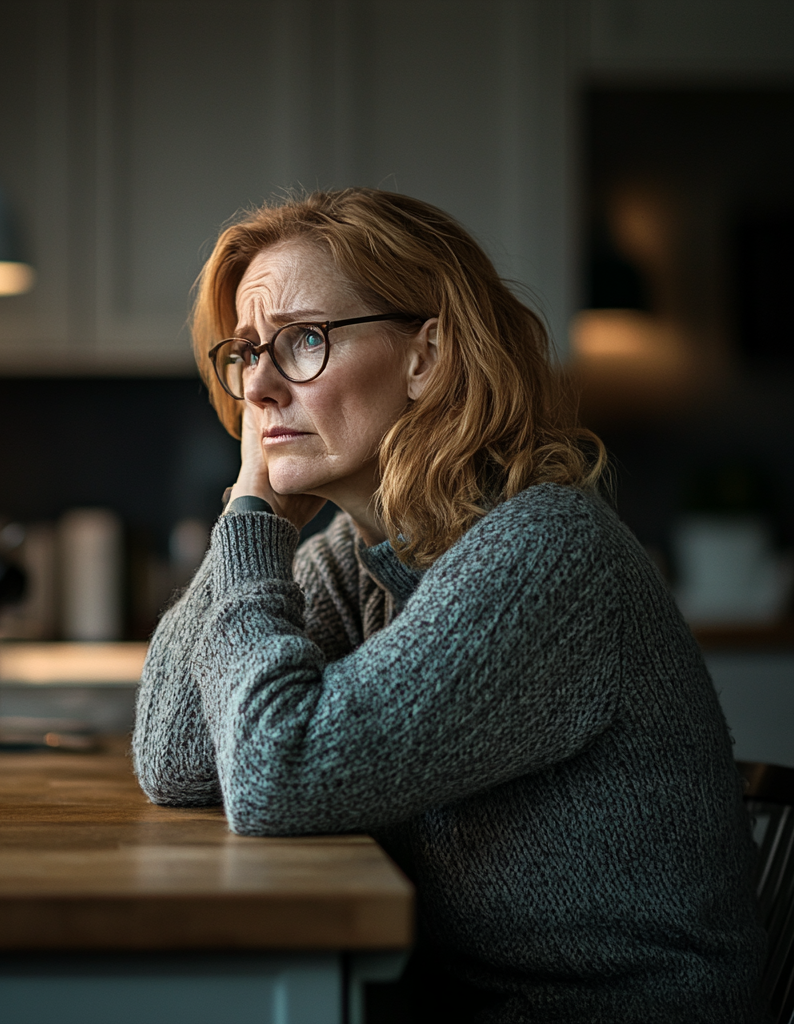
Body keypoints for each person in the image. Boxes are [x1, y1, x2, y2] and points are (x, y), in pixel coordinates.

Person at [132, 188, 764, 1022]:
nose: (259, 390)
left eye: (304, 341)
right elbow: (176, 757)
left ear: (426, 356)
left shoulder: (549, 551)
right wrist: (257, 523)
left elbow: (275, 776)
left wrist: (251, 525)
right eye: (247, 353)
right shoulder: (352, 560)